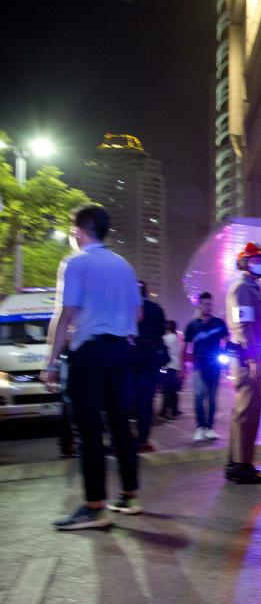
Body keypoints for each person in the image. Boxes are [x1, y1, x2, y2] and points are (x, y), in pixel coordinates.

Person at [43, 205, 143, 530]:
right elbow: (137, 314)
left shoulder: (75, 262)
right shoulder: (124, 265)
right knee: (120, 426)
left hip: (90, 353)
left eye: (73, 229)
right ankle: (129, 495)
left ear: (79, 230)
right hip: (121, 351)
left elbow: (65, 314)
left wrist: (51, 363)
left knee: (88, 431)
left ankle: (94, 506)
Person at [224, 243, 261, 483]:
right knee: (246, 412)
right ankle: (241, 467)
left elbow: (252, 322)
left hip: (252, 355)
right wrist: (253, 359)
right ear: (247, 263)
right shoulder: (243, 289)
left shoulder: (252, 288)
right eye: (259, 259)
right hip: (249, 358)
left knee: (247, 412)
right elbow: (243, 326)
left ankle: (237, 463)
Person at [182, 292, 228, 441]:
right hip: (198, 366)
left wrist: (225, 357)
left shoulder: (219, 323)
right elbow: (186, 345)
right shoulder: (192, 325)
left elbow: (226, 340)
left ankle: (209, 428)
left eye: (210, 304)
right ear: (199, 305)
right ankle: (200, 428)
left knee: (213, 399)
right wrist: (183, 364)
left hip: (214, 365)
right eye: (205, 304)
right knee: (199, 397)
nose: (208, 307)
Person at [132, 280, 167, 452]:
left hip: (131, 359)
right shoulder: (156, 309)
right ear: (146, 292)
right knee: (147, 401)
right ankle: (143, 439)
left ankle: (124, 438)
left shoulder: (128, 309)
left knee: (126, 399)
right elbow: (161, 332)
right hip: (151, 360)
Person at [158, 320, 182, 421]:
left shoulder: (166, 338)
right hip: (174, 366)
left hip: (167, 366)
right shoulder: (175, 337)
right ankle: (174, 410)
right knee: (172, 390)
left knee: (166, 390)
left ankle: (164, 412)